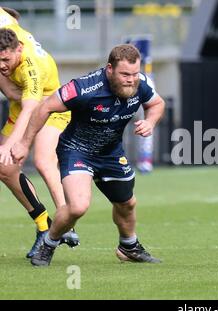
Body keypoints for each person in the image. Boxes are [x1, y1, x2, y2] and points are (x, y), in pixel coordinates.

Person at [12, 44, 165, 266]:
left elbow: (157, 104)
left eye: (134, 74)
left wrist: (150, 122)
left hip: (111, 153)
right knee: (78, 206)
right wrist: (25, 144)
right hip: (77, 150)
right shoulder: (83, 88)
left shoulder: (140, 83)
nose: (131, 80)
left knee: (127, 204)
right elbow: (44, 108)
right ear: (110, 69)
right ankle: (49, 242)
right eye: (125, 74)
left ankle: (128, 246)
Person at [0, 17, 79, 259]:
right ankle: (44, 223)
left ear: (19, 49)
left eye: (5, 59)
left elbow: (29, 109)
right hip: (20, 103)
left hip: (50, 106)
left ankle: (67, 223)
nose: (1, 64)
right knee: (5, 169)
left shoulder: (31, 67)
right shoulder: (6, 23)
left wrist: (14, 144)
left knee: (44, 161)